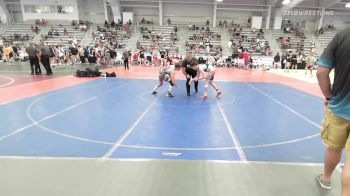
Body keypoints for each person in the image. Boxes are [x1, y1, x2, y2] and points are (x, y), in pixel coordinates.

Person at [315, 28, 350, 196]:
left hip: (339, 106)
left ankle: (326, 178)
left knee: (334, 147)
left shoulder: (343, 35)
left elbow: (321, 72)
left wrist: (329, 96)